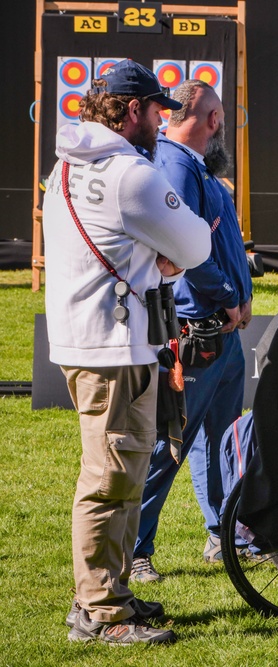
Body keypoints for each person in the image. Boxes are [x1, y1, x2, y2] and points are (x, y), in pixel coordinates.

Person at [43, 58, 211, 644]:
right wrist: (162, 257)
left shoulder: (64, 166)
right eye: (157, 111)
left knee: (122, 472)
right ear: (133, 109)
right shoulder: (128, 175)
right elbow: (195, 241)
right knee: (113, 476)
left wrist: (149, 257)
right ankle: (99, 610)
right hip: (115, 345)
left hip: (90, 338)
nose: (162, 124)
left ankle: (108, 593)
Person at [131, 78, 253, 582]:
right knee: (171, 443)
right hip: (197, 332)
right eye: (221, 117)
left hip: (218, 333)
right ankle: (135, 550)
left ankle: (220, 534)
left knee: (220, 441)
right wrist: (227, 297)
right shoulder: (177, 164)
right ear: (214, 121)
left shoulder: (189, 166)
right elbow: (184, 248)